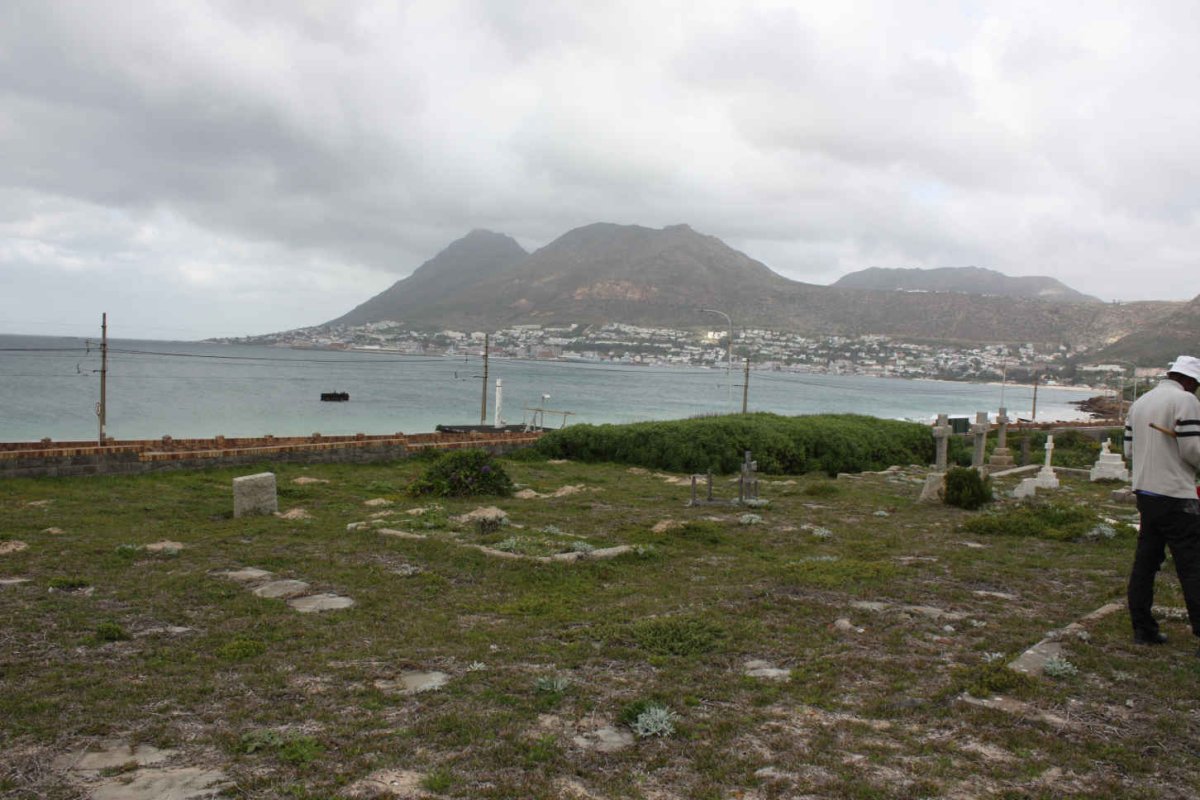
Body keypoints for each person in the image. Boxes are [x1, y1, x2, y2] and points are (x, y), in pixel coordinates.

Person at [1124, 355, 1200, 648]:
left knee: (1145, 563)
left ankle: (1143, 629)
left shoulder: (1140, 403)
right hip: (1177, 495)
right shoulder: (1186, 402)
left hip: (1146, 493)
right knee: (1193, 565)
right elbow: (1193, 450)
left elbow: (1129, 452)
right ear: (1189, 381)